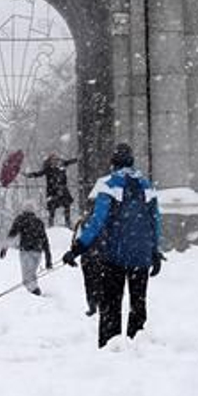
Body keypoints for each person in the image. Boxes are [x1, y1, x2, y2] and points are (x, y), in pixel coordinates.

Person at [64, 143, 162, 348]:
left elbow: (97, 222)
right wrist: (155, 250)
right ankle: (137, 345)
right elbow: (155, 221)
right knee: (138, 303)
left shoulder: (109, 185)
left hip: (115, 255)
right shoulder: (147, 185)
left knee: (111, 304)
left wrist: (78, 248)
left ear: (113, 163)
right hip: (141, 255)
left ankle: (110, 346)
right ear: (132, 162)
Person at [0, 207, 53, 295]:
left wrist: (4, 248)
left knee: (27, 276)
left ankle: (33, 292)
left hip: (26, 251)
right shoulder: (38, 222)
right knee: (31, 274)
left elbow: (12, 234)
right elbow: (45, 240)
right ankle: (33, 292)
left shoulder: (21, 220)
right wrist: (48, 258)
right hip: (37, 252)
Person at [26, 153, 79, 227]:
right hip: (52, 191)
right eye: (53, 160)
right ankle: (51, 225)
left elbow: (69, 162)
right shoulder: (48, 169)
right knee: (52, 208)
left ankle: (67, 222)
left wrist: (77, 159)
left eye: (56, 159)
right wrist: (29, 175)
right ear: (50, 161)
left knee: (67, 205)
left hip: (63, 190)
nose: (55, 161)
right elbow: (38, 174)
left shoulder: (62, 165)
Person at [70, 209, 105, 317]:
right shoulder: (104, 220)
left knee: (89, 282)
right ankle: (101, 303)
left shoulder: (82, 222)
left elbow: (75, 239)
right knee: (101, 281)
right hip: (102, 256)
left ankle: (92, 304)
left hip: (87, 257)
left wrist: (73, 253)